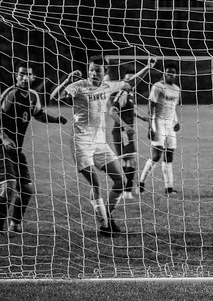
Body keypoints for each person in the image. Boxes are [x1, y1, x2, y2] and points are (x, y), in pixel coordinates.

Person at [51, 56, 156, 236]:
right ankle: (105, 226)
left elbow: (129, 82)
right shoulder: (79, 85)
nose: (93, 73)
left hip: (100, 144)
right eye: (91, 69)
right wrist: (67, 80)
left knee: (121, 181)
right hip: (81, 143)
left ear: (104, 72)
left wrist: (147, 67)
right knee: (96, 183)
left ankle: (106, 215)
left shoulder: (108, 86)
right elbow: (55, 97)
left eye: (98, 70)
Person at [0, 64, 67, 238]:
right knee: (10, 187)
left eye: (28, 75)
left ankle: (15, 225)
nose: (24, 78)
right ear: (16, 75)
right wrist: (5, 138)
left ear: (33, 78)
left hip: (16, 149)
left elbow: (38, 114)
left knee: (27, 189)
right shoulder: (10, 93)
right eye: (22, 74)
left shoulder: (33, 96)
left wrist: (56, 120)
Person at [138, 63, 182, 196]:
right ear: (164, 73)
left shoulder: (176, 88)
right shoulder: (157, 86)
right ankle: (141, 181)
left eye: (172, 73)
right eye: (168, 72)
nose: (170, 75)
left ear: (175, 74)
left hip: (170, 125)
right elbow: (151, 106)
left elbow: (173, 107)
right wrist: (150, 127)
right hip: (158, 122)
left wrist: (176, 121)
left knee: (169, 155)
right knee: (157, 155)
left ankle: (169, 188)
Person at [108, 68, 148, 200]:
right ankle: (126, 192)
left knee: (128, 162)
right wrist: (125, 126)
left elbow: (130, 111)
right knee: (130, 161)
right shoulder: (123, 93)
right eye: (129, 79)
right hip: (122, 132)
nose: (132, 81)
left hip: (125, 132)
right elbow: (112, 112)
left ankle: (124, 191)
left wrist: (143, 118)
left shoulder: (130, 94)